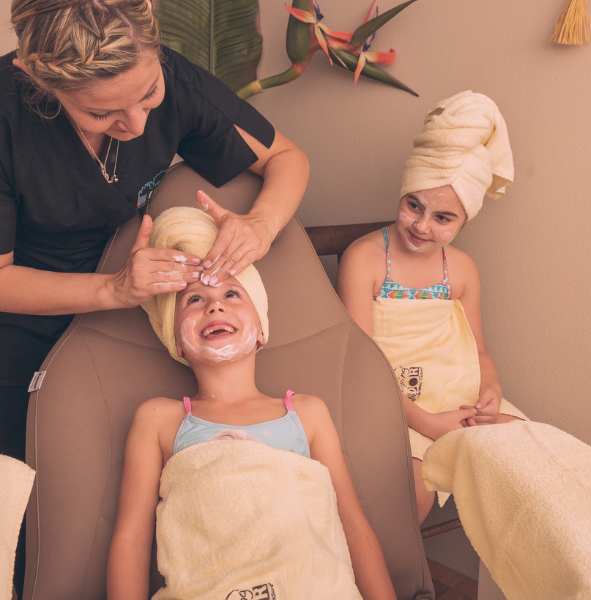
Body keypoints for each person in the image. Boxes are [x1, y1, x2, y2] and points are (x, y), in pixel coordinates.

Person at [0, 0, 309, 465]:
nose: (139, 125)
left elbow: (287, 160)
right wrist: (112, 288)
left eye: (149, 94)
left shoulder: (172, 75)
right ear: (38, 79)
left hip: (128, 301)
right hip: (21, 315)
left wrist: (260, 225)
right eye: (102, 114)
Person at [107, 206, 395, 600]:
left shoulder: (307, 414)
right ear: (174, 336)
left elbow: (352, 522)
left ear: (261, 326)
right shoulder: (159, 419)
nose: (215, 306)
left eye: (230, 293)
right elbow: (131, 537)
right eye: (194, 300)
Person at [337, 90, 527, 523]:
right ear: (402, 194)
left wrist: (489, 392)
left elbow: (478, 351)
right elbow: (362, 365)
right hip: (390, 403)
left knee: (525, 452)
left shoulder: (461, 270)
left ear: (465, 220)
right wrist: (425, 422)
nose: (421, 225)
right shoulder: (364, 258)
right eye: (413, 206)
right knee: (414, 494)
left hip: (454, 396)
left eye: (443, 218)